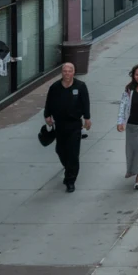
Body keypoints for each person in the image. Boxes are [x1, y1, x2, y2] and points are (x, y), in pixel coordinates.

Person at [44, 63, 92, 193]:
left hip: (74, 125)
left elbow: (85, 102)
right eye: (64, 71)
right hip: (60, 124)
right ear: (62, 72)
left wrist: (87, 118)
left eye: (69, 71)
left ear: (73, 72)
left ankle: (70, 180)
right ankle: (68, 167)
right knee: (60, 150)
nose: (67, 73)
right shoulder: (55, 87)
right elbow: (49, 102)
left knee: (73, 153)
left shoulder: (80, 86)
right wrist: (47, 115)